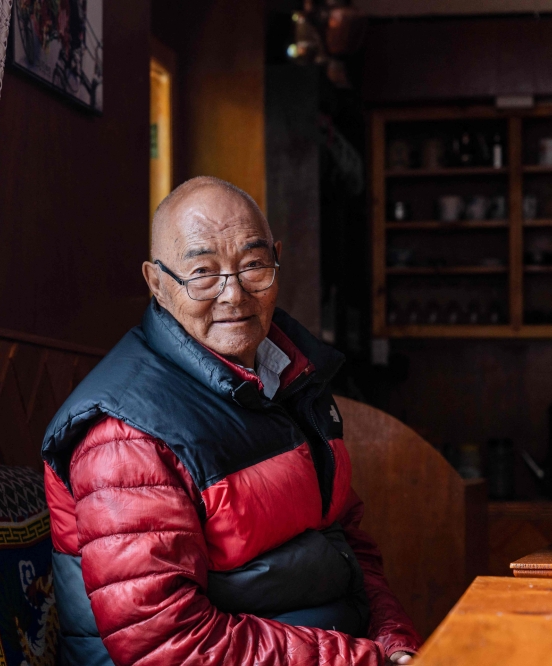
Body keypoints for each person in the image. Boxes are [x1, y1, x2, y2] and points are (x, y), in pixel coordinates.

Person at [42, 177, 422, 665]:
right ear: (157, 283)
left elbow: (347, 540)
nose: (234, 295)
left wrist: (396, 645)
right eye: (202, 272)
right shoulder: (125, 434)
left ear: (277, 261)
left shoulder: (289, 378)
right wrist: (364, 660)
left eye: (253, 265)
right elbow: (166, 646)